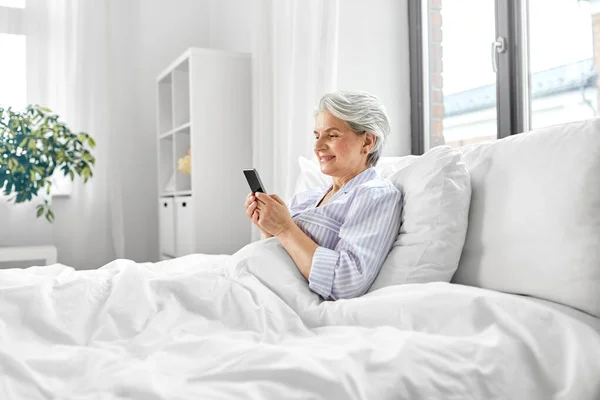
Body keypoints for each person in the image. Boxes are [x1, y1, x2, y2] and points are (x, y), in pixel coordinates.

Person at [244, 91, 403, 300]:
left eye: (332, 135)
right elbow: (280, 257)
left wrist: (284, 228)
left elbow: (345, 281)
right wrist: (269, 229)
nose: (317, 147)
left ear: (367, 142)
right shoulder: (309, 197)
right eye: (317, 135)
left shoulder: (376, 195)